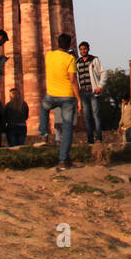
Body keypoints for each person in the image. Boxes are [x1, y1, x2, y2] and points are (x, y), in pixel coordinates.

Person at [38, 33, 80, 170]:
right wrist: (78, 99)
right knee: (67, 128)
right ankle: (63, 160)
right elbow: (73, 80)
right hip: (67, 96)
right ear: (69, 45)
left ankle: (43, 134)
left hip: (52, 95)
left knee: (44, 108)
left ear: (57, 43)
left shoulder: (49, 55)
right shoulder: (70, 59)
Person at [75, 41, 104, 144]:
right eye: (81, 49)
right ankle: (90, 139)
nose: (83, 51)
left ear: (88, 49)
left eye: (84, 49)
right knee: (86, 117)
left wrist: (100, 86)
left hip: (92, 91)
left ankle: (99, 138)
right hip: (83, 92)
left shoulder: (94, 60)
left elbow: (103, 73)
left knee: (96, 115)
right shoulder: (78, 63)